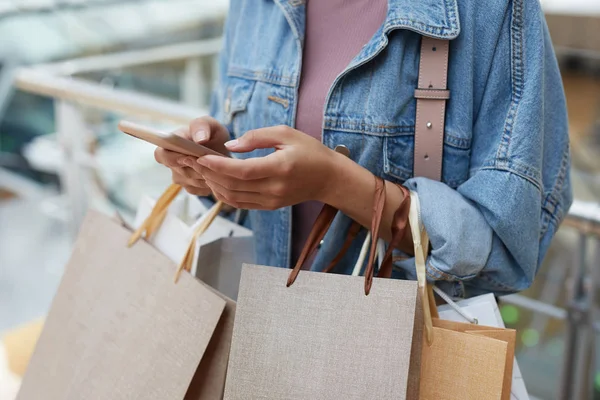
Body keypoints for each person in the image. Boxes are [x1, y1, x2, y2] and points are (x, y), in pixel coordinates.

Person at [154, 0, 572, 298]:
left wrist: (337, 183)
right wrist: (213, 167)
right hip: (255, 332)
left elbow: (507, 252)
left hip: (387, 361)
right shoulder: (253, 6)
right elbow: (238, 151)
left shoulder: (491, 10)